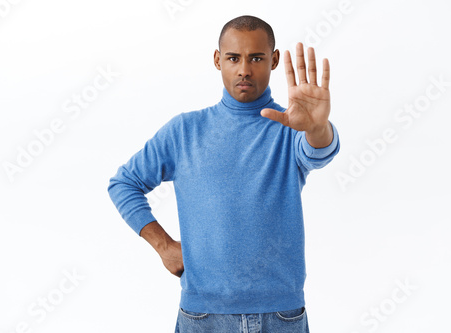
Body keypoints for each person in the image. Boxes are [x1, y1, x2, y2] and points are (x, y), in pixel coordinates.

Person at [108, 15, 340, 333]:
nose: (244, 69)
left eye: (256, 58)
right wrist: (163, 246)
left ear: (273, 60)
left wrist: (318, 127)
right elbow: (124, 183)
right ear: (218, 60)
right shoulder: (184, 131)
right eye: (234, 58)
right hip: (202, 317)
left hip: (280, 315)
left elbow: (319, 151)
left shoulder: (289, 129)